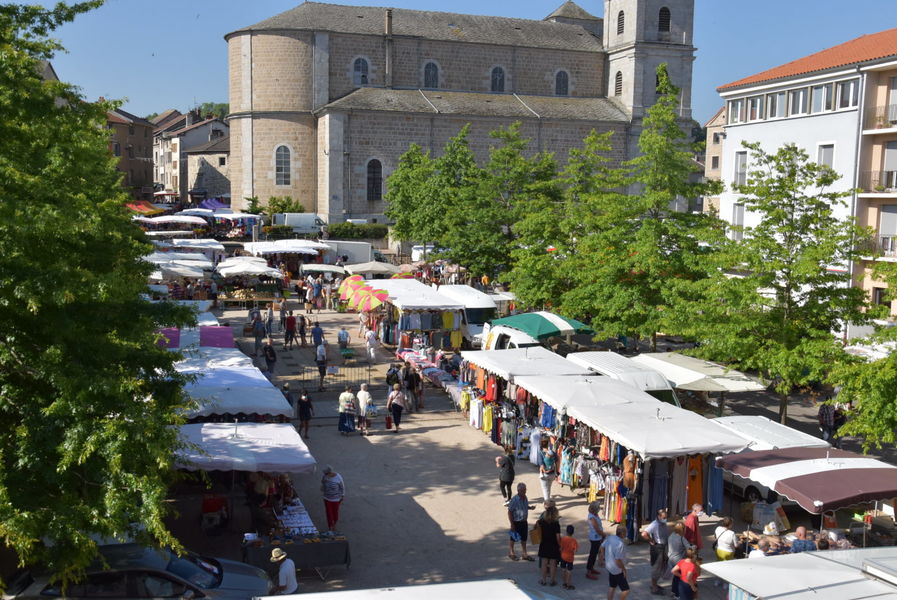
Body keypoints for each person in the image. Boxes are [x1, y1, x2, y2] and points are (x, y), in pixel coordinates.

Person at [642, 508, 670, 595]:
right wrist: (651, 540)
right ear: (659, 516)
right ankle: (654, 587)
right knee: (656, 568)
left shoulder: (662, 523)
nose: (665, 519)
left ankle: (655, 584)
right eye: (663, 517)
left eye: (666, 517)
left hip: (663, 547)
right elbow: (644, 533)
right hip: (657, 548)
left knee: (661, 567)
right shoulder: (654, 524)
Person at [507, 482, 535, 562]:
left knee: (524, 539)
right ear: (518, 491)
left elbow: (525, 506)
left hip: (524, 521)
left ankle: (524, 554)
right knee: (513, 538)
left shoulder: (525, 497)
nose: (524, 492)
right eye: (523, 490)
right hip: (516, 522)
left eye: (525, 490)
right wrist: (512, 524)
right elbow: (509, 511)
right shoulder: (514, 500)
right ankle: (511, 553)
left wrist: (530, 507)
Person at [600, 524, 630, 600]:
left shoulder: (610, 537)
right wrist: (624, 569)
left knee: (612, 586)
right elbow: (618, 560)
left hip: (609, 567)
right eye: (626, 532)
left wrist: (604, 557)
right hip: (617, 570)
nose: (626, 534)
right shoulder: (620, 544)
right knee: (626, 590)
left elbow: (602, 547)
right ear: (622, 533)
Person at [537, 501, 562, 587]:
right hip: (553, 545)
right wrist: (560, 546)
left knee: (544, 564)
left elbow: (536, 530)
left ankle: (543, 580)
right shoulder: (556, 524)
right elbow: (558, 537)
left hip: (543, 544)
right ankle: (552, 580)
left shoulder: (541, 522)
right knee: (553, 564)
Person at [667, 522, 694, 597]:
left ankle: (673, 590)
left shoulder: (671, 535)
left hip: (670, 559)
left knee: (675, 576)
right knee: (680, 577)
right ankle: (677, 594)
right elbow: (689, 548)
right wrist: (694, 546)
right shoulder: (682, 538)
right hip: (678, 560)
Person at [320, 465, 345, 531]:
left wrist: (342, 495)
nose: (325, 475)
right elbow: (322, 482)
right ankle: (330, 526)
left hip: (336, 499)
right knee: (329, 513)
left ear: (330, 473)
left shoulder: (338, 477)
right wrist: (323, 481)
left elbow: (342, 487)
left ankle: (334, 524)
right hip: (327, 498)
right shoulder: (325, 476)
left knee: (335, 513)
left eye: (326, 474)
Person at [585, 500, 605, 580]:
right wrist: (603, 535)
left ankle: (591, 568)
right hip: (595, 538)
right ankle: (589, 571)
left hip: (597, 537)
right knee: (593, 555)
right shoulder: (592, 517)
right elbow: (597, 529)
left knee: (595, 553)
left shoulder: (595, 515)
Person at [559, 525, 579, 590]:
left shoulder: (563, 539)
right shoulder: (574, 540)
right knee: (569, 571)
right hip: (570, 557)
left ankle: (564, 583)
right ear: (573, 532)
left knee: (563, 569)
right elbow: (575, 550)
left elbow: (561, 548)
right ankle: (568, 584)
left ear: (566, 531)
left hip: (563, 556)